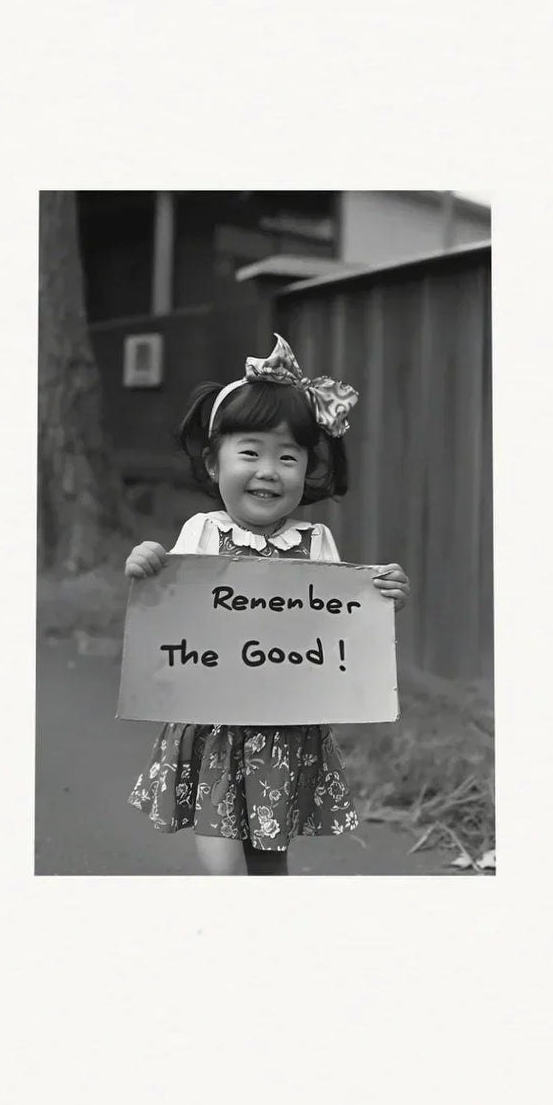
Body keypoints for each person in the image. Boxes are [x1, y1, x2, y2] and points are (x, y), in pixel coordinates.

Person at [125, 334, 409, 875]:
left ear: (306, 468)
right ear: (213, 464)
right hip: (213, 721)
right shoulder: (201, 532)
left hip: (285, 724)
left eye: (288, 457)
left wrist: (384, 599)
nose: (268, 470)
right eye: (250, 453)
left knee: (269, 853)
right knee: (223, 851)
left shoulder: (316, 542)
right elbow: (168, 605)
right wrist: (144, 565)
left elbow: (338, 626)